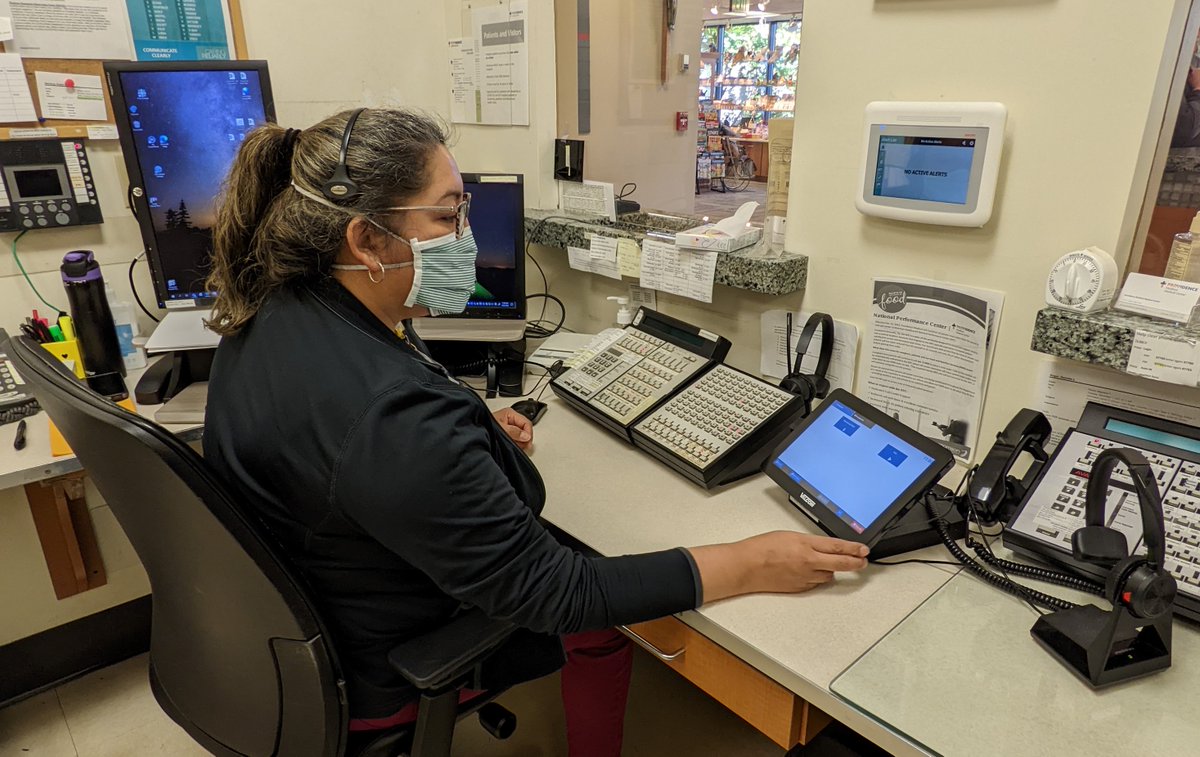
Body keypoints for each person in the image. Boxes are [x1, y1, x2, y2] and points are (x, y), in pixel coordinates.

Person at [202, 107, 870, 757]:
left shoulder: (273, 308)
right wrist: (751, 560)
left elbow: (354, 437)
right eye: (446, 213)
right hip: (384, 662)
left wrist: (466, 422)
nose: (465, 233)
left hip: (312, 617)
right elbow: (561, 591)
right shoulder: (394, 418)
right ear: (366, 241)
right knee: (598, 619)